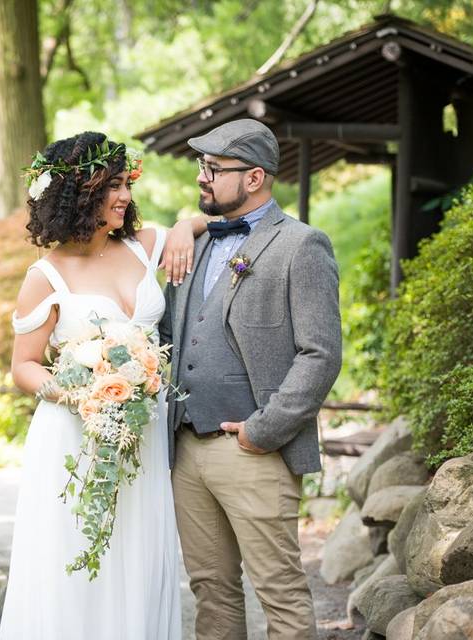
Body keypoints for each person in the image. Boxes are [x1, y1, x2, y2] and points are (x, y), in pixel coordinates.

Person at [0, 131, 205, 639]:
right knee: (77, 558)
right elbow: (24, 366)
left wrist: (184, 225)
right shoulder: (46, 276)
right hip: (77, 437)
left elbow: (214, 220)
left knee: (141, 553)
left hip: (144, 434)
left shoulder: (145, 246)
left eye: (125, 184)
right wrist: (79, 393)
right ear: (77, 193)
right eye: (111, 186)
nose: (125, 196)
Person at [159, 118, 342, 640]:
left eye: (215, 169)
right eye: (202, 166)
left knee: (280, 593)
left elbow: (321, 354)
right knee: (211, 591)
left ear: (255, 177)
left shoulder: (302, 246)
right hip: (186, 449)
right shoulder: (191, 243)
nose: (203, 177)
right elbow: (171, 334)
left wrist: (264, 431)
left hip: (254, 450)